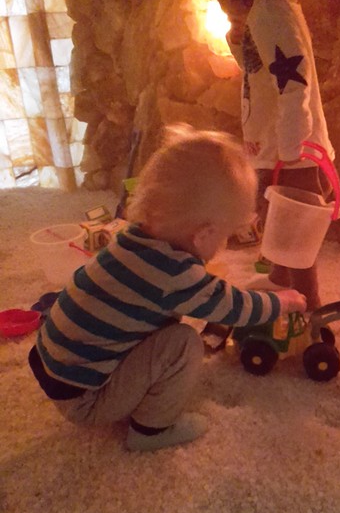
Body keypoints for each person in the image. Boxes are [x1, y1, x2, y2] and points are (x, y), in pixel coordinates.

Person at [28, 124, 307, 452]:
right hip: (86, 399)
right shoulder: (174, 272)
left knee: (157, 323)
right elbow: (233, 307)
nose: (223, 245)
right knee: (182, 342)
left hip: (57, 370)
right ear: (204, 235)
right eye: (225, 236)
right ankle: (151, 430)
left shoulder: (131, 239)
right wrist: (282, 302)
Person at [210, 0, 335, 310]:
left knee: (296, 233)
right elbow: (257, 69)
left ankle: (308, 305)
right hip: (274, 143)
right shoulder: (261, 12)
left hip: (291, 150)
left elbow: (294, 80)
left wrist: (292, 147)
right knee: (279, 223)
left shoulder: (270, 11)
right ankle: (281, 279)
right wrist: (237, 37)